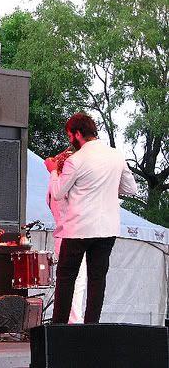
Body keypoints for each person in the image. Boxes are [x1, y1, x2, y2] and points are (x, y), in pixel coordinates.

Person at [45, 112, 137, 324]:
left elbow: (58, 193)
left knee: (66, 277)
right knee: (97, 280)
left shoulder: (76, 160)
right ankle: (91, 328)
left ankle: (59, 328)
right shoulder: (116, 155)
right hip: (108, 228)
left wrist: (52, 171)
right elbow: (131, 188)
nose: (70, 141)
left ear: (77, 134)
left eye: (70, 136)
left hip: (79, 227)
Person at [47, 148, 87, 323]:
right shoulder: (64, 187)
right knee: (77, 283)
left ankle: (69, 321)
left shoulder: (53, 184)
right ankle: (74, 322)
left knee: (68, 282)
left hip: (61, 236)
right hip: (72, 236)